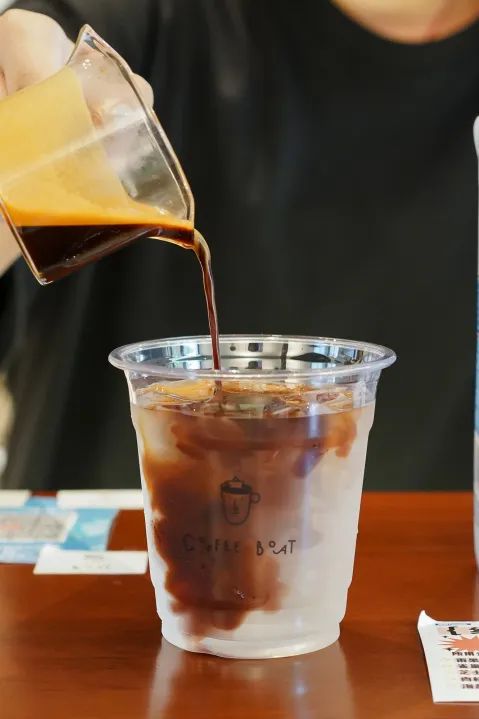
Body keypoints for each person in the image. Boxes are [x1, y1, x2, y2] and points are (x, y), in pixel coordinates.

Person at [0, 0, 478, 491]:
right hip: (90, 534)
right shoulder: (134, 21)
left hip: (440, 538)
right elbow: (36, 65)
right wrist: (21, 139)